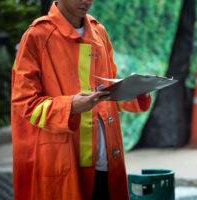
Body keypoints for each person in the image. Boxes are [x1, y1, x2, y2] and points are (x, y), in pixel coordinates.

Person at [11, 0, 151, 199]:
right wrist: (70, 107)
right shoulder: (37, 36)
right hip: (65, 164)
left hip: (107, 162)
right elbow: (24, 103)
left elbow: (107, 92)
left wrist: (135, 90)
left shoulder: (99, 31)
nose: (87, 1)